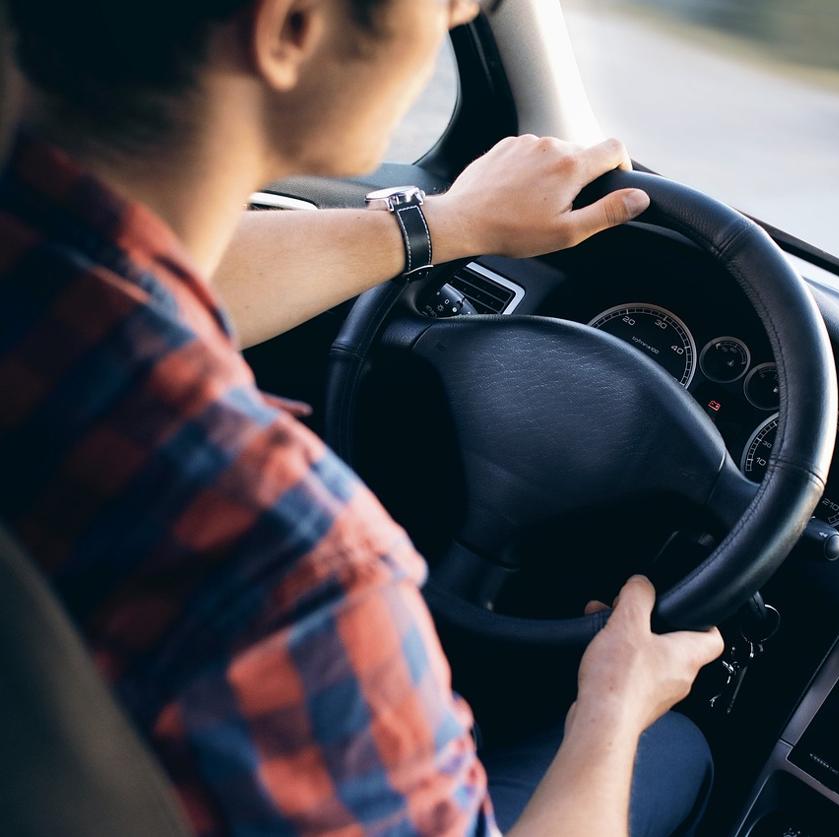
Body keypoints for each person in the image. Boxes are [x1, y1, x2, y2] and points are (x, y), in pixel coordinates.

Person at [0, 1, 724, 835]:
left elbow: (146, 280)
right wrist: (611, 705)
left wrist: (447, 223)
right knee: (672, 748)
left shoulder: (45, 278)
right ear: (290, 28)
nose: (458, 15)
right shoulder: (287, 566)